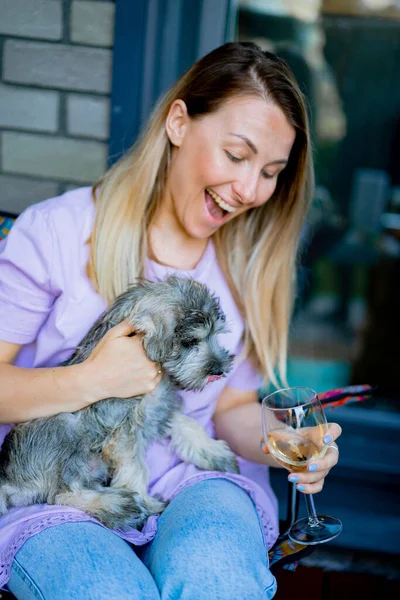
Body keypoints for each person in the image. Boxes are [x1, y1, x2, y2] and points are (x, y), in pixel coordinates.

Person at [0, 42, 341, 599]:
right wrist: (88, 381)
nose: (250, 191)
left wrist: (290, 440)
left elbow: (230, 410)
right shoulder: (55, 233)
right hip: (58, 491)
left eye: (271, 172)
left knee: (218, 578)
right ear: (179, 123)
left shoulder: (247, 267)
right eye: (237, 155)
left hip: (191, 480)